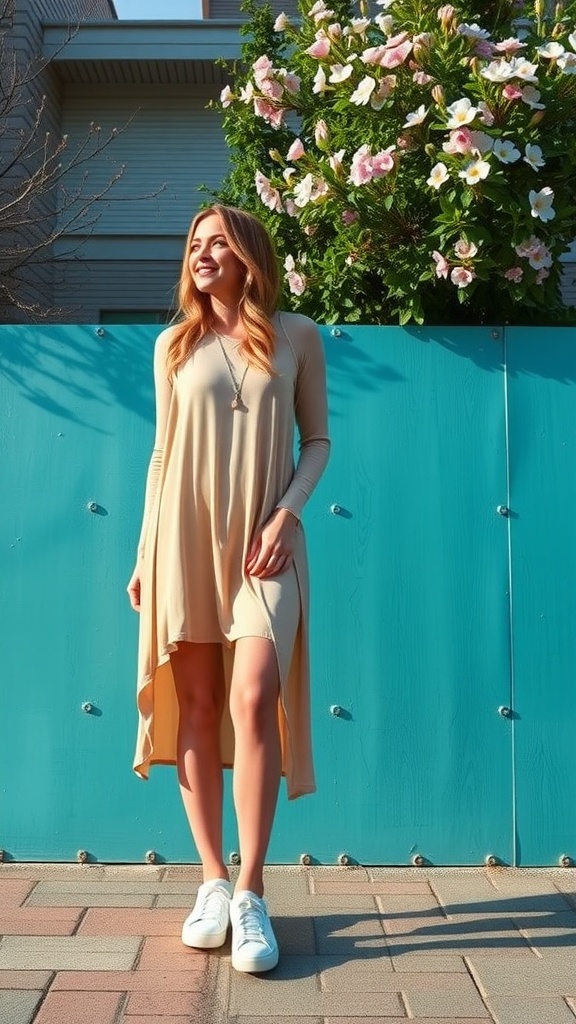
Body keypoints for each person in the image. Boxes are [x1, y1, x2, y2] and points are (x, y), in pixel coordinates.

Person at [126, 204, 330, 974]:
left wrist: (287, 513)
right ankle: (210, 879)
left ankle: (251, 892)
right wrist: (146, 552)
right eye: (194, 244)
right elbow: (159, 455)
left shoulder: (298, 337)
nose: (202, 253)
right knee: (201, 703)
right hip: (182, 540)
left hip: (265, 548)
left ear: (248, 256)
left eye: (218, 242)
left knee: (253, 699)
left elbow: (318, 439)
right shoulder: (171, 345)